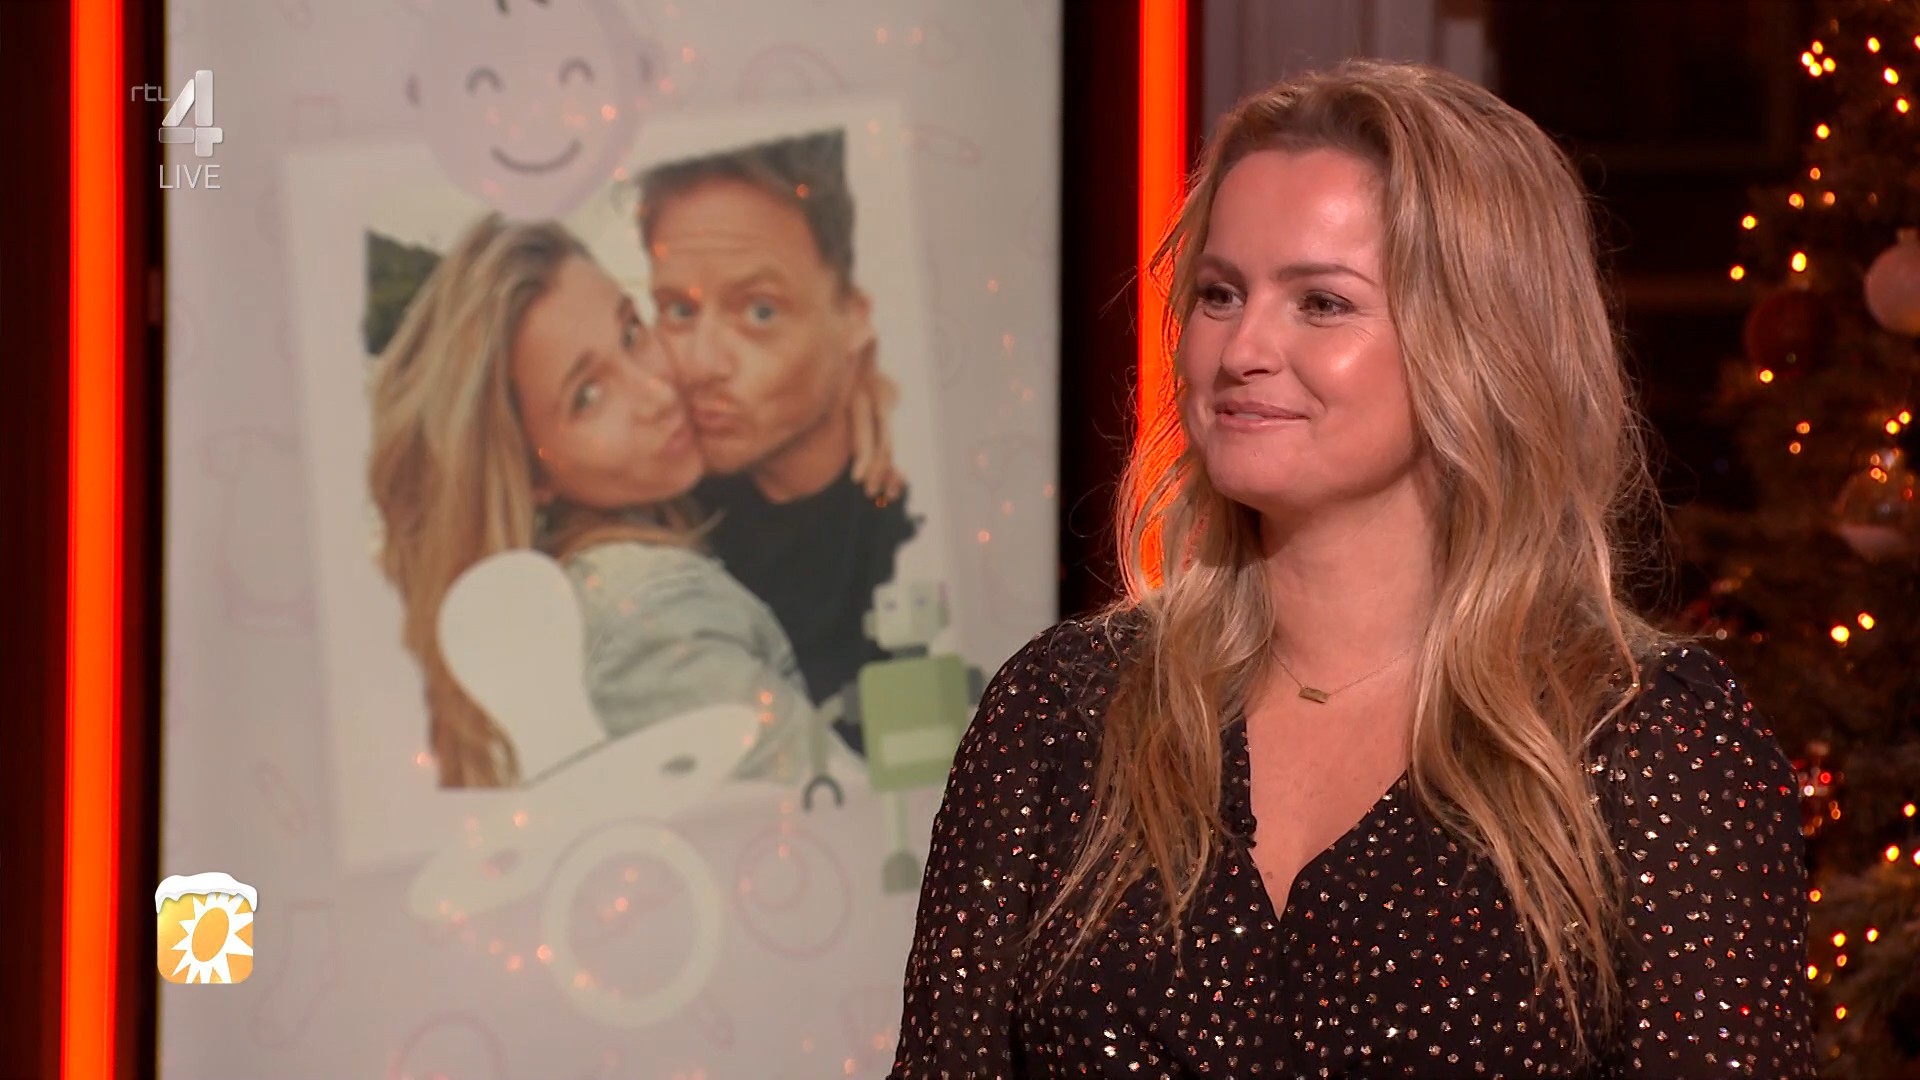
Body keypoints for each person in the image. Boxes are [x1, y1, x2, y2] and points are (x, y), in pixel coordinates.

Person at [892, 60, 1813, 1077]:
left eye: (1321, 303)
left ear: (1480, 342)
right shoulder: (1063, 713)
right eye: (1220, 293)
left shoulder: (1646, 742)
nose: (1241, 348)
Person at [367, 214, 817, 789]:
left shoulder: (663, 517)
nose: (657, 392)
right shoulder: (648, 618)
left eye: (631, 333)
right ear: (533, 476)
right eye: (588, 396)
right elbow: (836, 814)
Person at [637, 129, 920, 727]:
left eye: (759, 310)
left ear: (853, 317)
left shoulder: (916, 523)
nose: (701, 365)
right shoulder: (654, 522)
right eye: (679, 310)